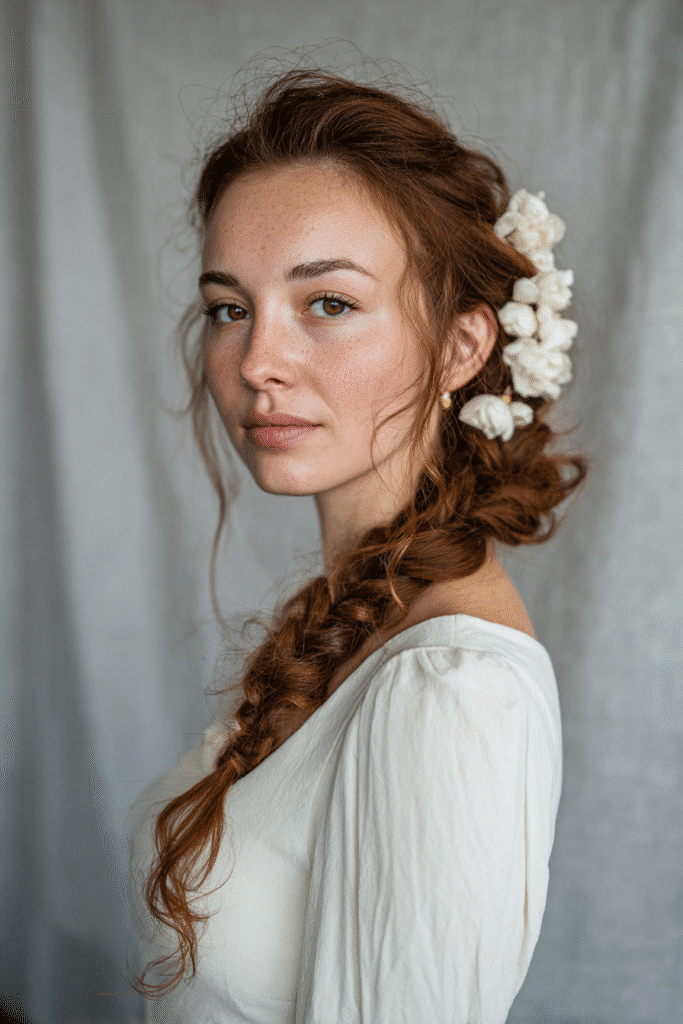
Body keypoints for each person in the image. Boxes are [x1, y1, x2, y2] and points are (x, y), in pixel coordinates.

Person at [127, 66, 586, 1024]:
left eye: (327, 303)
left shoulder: (453, 692)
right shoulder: (351, 622)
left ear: (461, 348)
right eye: (228, 307)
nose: (256, 362)